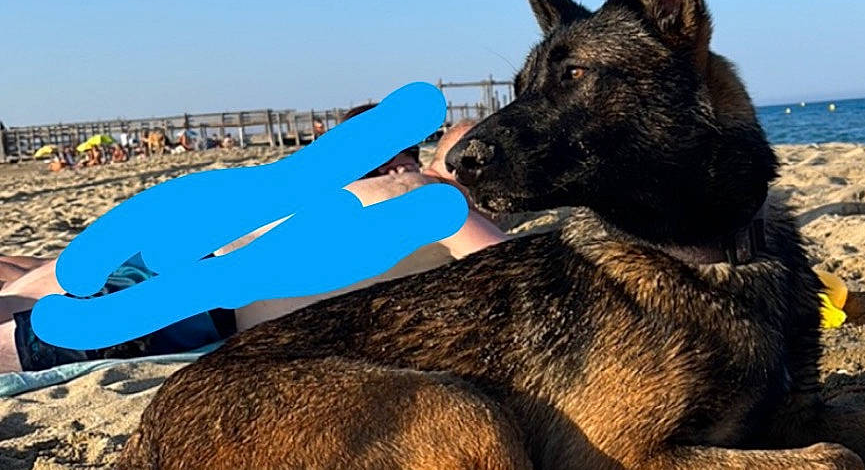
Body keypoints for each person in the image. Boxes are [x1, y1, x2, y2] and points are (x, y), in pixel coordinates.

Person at [0, 120, 504, 376]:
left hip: (187, 265)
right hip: (193, 307)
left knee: (30, 287)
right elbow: (508, 271)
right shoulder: (440, 204)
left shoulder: (400, 188)